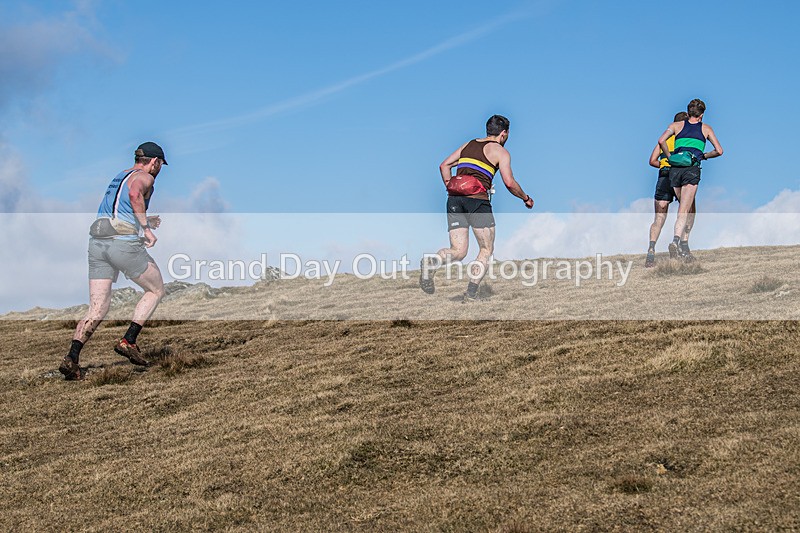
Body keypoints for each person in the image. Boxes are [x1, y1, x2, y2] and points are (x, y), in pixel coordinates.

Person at [59, 142, 168, 380]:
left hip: (98, 242)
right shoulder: (145, 177)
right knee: (156, 289)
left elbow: (121, 207)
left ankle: (72, 358)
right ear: (155, 161)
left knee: (98, 307)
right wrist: (146, 228)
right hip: (122, 243)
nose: (159, 169)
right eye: (160, 165)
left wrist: (145, 218)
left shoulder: (119, 176)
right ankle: (128, 340)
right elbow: (134, 193)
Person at [419, 115, 533, 301]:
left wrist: (452, 187)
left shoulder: (468, 145)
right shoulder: (501, 152)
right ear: (504, 134)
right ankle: (471, 294)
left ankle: (432, 262)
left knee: (458, 251)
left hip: (454, 200)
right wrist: (525, 198)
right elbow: (509, 182)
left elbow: (444, 165)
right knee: (486, 249)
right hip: (477, 201)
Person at [657, 98, 723, 261]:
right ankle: (676, 241)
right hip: (691, 169)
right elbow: (719, 150)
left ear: (688, 113)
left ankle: (681, 244)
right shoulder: (705, 128)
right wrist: (704, 156)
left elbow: (661, 141)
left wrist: (670, 156)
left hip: (675, 170)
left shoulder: (676, 126)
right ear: (701, 114)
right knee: (684, 209)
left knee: (683, 207)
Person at [645, 111, 694, 267]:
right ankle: (683, 246)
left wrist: (666, 163)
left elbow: (652, 161)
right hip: (679, 177)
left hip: (663, 176)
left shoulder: (665, 139)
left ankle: (651, 251)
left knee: (658, 218)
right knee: (688, 210)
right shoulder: (684, 139)